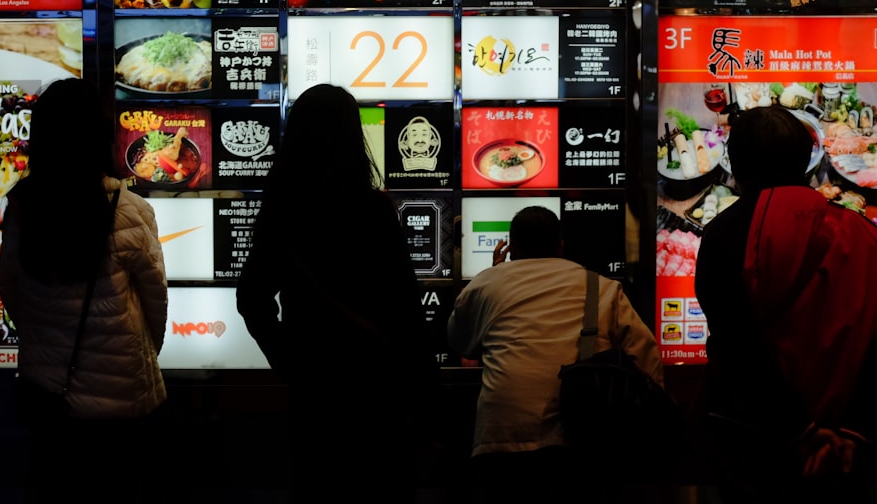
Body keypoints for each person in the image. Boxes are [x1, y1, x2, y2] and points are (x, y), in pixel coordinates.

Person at [236, 83, 437, 500]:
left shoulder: (283, 212)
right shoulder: (374, 209)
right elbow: (406, 308)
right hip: (379, 391)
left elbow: (251, 297)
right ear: (351, 137)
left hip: (316, 394)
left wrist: (290, 360)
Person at [0, 78, 167, 503]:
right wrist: (140, 354)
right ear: (100, 137)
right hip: (122, 402)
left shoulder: (22, 205)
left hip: (49, 398)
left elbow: (10, 291)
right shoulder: (130, 209)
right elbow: (156, 306)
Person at [696, 105, 877, 500]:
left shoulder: (723, 235)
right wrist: (851, 431)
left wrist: (801, 432)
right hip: (846, 443)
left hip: (751, 440)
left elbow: (736, 345)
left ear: (737, 165)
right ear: (806, 161)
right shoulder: (862, 232)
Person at [448, 206, 662, 495]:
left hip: (499, 439)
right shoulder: (602, 287)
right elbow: (646, 356)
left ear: (511, 248)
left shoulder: (485, 283)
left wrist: (495, 272)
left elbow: (461, 343)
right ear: (561, 245)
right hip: (581, 442)